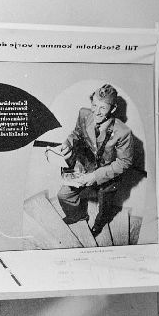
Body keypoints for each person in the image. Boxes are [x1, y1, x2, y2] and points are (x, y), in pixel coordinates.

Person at [57, 84, 134, 237]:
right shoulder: (84, 114)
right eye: (94, 105)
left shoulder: (124, 133)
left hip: (108, 176)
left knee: (104, 207)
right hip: (86, 166)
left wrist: (95, 176)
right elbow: (77, 133)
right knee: (63, 195)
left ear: (113, 109)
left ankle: (99, 225)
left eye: (103, 108)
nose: (96, 112)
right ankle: (78, 215)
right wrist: (68, 143)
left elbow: (124, 162)